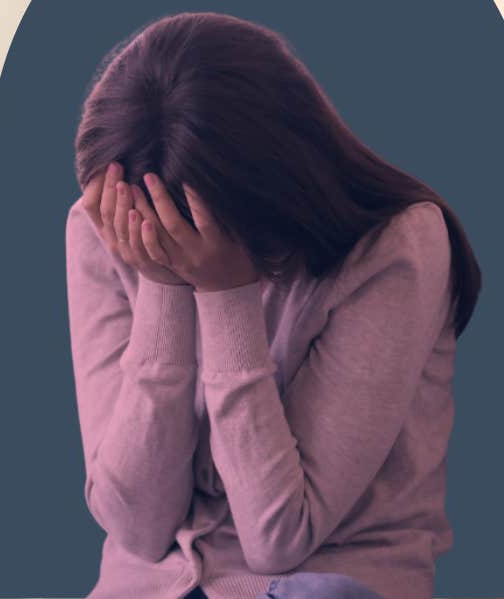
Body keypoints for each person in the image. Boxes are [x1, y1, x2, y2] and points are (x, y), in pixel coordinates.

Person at [65, 12, 480, 599]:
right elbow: (137, 527)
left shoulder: (398, 245)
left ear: (277, 186)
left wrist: (225, 295)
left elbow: (280, 537)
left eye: (187, 233)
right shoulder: (107, 225)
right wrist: (163, 288)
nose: (167, 247)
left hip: (325, 579)